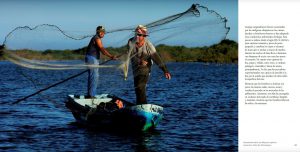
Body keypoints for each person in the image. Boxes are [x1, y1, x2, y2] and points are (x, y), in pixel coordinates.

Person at [127, 25, 171, 104]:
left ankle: (144, 105)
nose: (138, 36)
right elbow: (131, 56)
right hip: (135, 67)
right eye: (137, 34)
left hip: (146, 67)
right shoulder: (130, 42)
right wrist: (139, 61)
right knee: (137, 88)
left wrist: (165, 71)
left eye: (140, 35)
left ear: (144, 36)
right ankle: (139, 105)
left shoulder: (149, 45)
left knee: (141, 86)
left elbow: (157, 58)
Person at [85, 25, 116, 98]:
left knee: (93, 76)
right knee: (94, 76)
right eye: (101, 32)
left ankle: (90, 94)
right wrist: (111, 56)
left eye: (103, 32)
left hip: (92, 58)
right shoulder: (97, 38)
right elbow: (102, 49)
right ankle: (91, 95)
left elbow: (101, 50)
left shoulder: (96, 38)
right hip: (92, 59)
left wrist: (110, 56)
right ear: (97, 32)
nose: (103, 33)